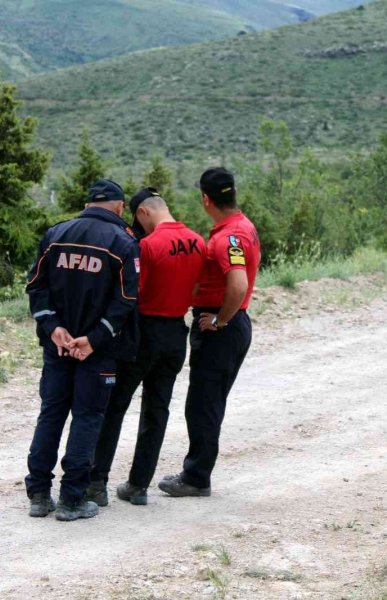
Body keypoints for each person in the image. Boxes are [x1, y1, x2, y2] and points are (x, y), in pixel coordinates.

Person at [24, 179, 140, 522]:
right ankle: (72, 499)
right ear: (120, 207)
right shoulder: (123, 242)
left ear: (88, 203)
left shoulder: (56, 234)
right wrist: (94, 339)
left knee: (52, 413)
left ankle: (39, 494)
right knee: (87, 418)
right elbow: (127, 300)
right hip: (97, 351)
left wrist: (54, 328)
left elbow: (36, 287)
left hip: (57, 346)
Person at [86, 188, 205, 507]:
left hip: (144, 332)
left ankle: (96, 483)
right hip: (176, 333)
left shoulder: (148, 245)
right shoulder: (198, 241)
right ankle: (138, 486)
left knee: (115, 407)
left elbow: (133, 293)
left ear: (143, 213)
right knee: (157, 410)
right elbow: (197, 287)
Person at [158, 167, 261, 498]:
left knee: (203, 405)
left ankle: (196, 477)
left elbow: (238, 283)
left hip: (222, 328)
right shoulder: (241, 226)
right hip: (231, 324)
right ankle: (197, 472)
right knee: (208, 402)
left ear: (206, 199)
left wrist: (219, 320)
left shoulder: (227, 238)